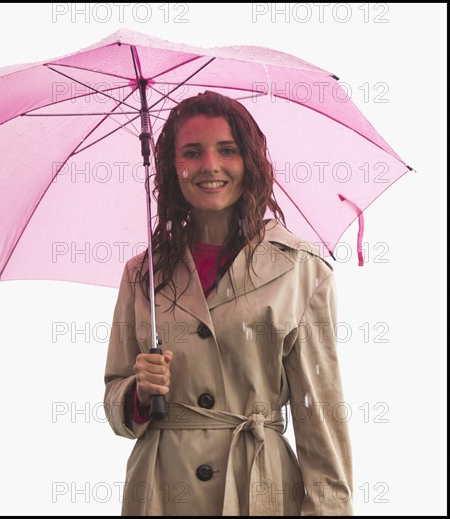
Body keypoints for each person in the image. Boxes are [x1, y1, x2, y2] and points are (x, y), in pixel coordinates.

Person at [103, 91, 353, 516]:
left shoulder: (300, 270)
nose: (210, 167)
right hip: (161, 490)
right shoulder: (142, 274)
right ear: (170, 166)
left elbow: (320, 417)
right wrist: (138, 394)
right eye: (192, 153)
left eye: (227, 151)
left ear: (250, 162)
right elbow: (116, 401)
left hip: (261, 487)